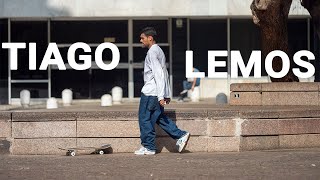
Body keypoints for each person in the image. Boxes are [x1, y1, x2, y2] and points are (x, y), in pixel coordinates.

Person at [135, 27, 190, 155]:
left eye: (142, 38)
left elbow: (159, 74)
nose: (140, 40)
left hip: (150, 93)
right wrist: (166, 93)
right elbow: (164, 73)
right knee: (159, 117)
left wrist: (161, 96)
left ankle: (148, 147)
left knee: (144, 119)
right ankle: (181, 135)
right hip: (156, 93)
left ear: (150, 38)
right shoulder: (159, 51)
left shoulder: (152, 52)